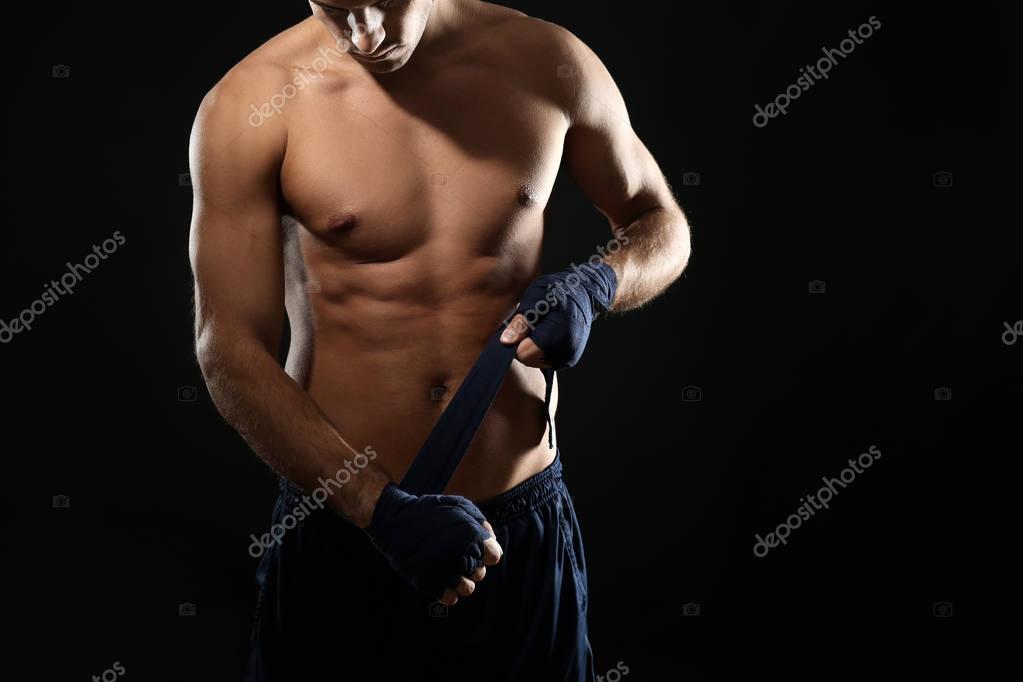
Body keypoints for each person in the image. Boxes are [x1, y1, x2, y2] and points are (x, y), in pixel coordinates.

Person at [188, 1, 690, 679]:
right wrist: (379, 511)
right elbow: (230, 350)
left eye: (382, 4)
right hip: (350, 530)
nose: (363, 33)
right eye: (336, 9)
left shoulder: (547, 62)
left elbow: (658, 220)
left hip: (519, 524)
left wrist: (600, 283)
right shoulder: (252, 102)